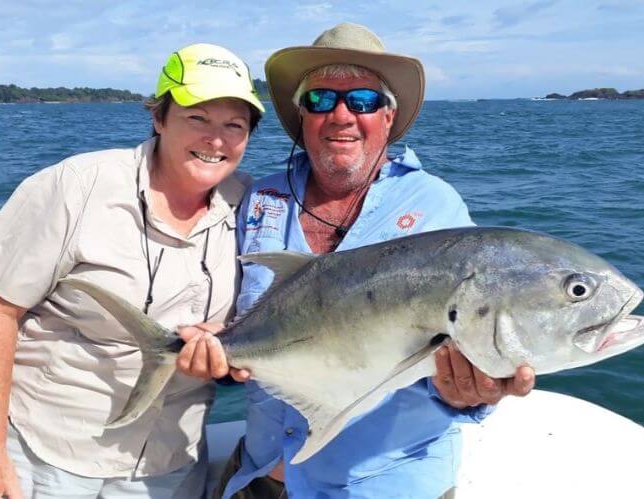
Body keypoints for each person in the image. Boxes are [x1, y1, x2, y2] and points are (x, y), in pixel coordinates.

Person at [179, 23, 536, 498]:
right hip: (261, 473)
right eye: (322, 100)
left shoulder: (435, 208)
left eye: (363, 101)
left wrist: (467, 393)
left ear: (388, 117)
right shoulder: (260, 197)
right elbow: (241, 327)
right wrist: (218, 357)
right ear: (302, 116)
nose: (342, 115)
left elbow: (455, 349)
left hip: (384, 485)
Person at [0, 43, 264, 499]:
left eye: (234, 126)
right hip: (48, 455)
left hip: (170, 464)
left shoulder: (253, 207)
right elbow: (1, 309)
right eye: (197, 118)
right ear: (159, 118)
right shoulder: (75, 187)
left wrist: (227, 348)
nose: (215, 140)